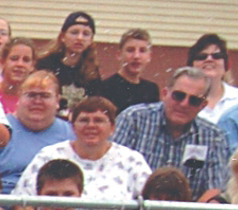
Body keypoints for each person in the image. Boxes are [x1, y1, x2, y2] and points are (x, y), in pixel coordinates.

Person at [14, 94, 151, 210]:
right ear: (72, 127)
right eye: (84, 120)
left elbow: (150, 209)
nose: (91, 126)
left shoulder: (132, 160)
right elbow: (23, 202)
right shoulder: (49, 155)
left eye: (99, 121)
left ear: (112, 128)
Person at [110, 66, 233, 200]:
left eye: (194, 100)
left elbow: (214, 188)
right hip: (135, 209)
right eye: (178, 96)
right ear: (164, 94)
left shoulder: (213, 137)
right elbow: (112, 169)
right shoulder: (133, 119)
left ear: (202, 105)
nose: (184, 104)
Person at [0, 69, 72, 191]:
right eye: (31, 95)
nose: (37, 101)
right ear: (18, 98)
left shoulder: (70, 133)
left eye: (44, 96)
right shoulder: (0, 129)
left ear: (57, 101)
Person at [35, 11, 101, 108]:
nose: (80, 38)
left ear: (91, 40)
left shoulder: (91, 72)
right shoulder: (45, 65)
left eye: (86, 34)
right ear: (62, 37)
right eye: (74, 33)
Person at [90, 28, 161, 113]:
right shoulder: (106, 88)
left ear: (149, 56)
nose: (136, 56)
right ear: (119, 54)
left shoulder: (151, 90)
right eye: (130, 50)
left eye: (142, 51)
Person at [188, 34, 238, 126]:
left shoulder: (236, 99)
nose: (209, 59)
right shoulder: (182, 100)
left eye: (217, 55)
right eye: (201, 56)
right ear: (191, 66)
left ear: (226, 64)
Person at [0, 36, 39, 107]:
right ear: (3, 62)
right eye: (14, 59)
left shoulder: (35, 99)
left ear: (32, 66)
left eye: (26, 60)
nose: (20, 64)